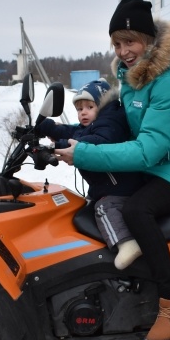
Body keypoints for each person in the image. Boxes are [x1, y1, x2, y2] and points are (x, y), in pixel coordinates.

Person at [55, 0, 170, 340]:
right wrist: (76, 137)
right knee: (105, 199)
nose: (123, 50)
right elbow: (126, 128)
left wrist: (84, 154)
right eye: (116, 43)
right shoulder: (133, 79)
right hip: (162, 165)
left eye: (130, 41)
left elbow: (148, 150)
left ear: (148, 41)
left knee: (135, 209)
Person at [35, 79, 145, 270]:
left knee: (103, 208)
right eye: (79, 109)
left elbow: (96, 141)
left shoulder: (111, 123)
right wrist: (47, 127)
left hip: (120, 189)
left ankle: (126, 243)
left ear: (102, 106)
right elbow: (72, 131)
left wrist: (59, 146)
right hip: (109, 187)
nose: (83, 112)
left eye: (89, 106)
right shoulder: (92, 124)